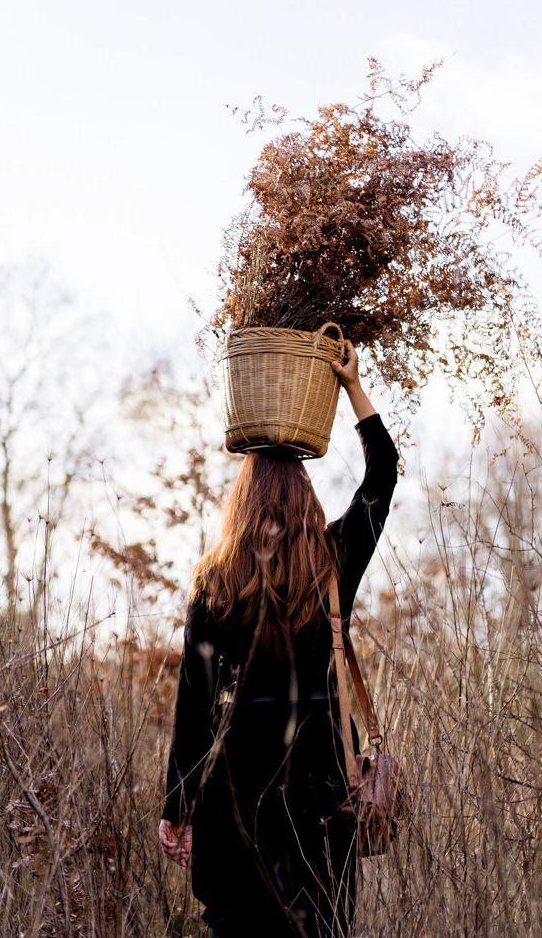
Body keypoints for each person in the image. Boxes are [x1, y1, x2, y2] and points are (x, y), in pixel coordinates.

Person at [159, 341, 398, 938]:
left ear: (240, 505)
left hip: (231, 810)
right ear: (306, 501)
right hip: (319, 807)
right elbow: (383, 478)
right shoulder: (333, 562)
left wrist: (178, 810)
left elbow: (194, 708)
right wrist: (352, 389)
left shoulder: (213, 584)